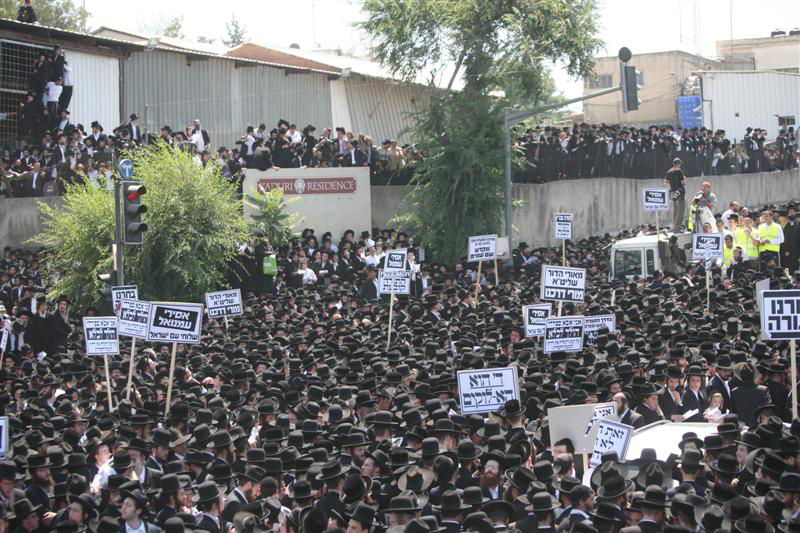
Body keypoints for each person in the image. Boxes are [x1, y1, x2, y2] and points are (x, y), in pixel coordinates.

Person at [663, 158, 686, 231]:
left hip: (672, 192)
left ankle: (673, 225)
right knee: (681, 210)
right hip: (679, 191)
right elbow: (683, 182)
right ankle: (677, 227)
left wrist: (672, 184)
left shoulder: (669, 171)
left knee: (675, 209)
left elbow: (665, 182)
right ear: (679, 164)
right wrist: (684, 179)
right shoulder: (679, 171)